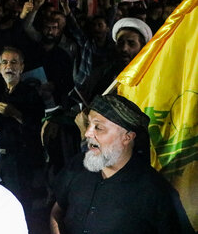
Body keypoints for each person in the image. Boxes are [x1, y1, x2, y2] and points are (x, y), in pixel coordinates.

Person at [49, 93, 186, 234]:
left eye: (98, 127)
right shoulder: (78, 164)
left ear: (127, 137)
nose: (88, 133)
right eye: (88, 124)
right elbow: (56, 212)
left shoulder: (155, 192)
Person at [0, 46, 44, 222]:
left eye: (14, 62)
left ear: (22, 67)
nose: (9, 66)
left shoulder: (31, 95)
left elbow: (38, 128)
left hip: (19, 163)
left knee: (19, 208)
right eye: (5, 62)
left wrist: (16, 114)